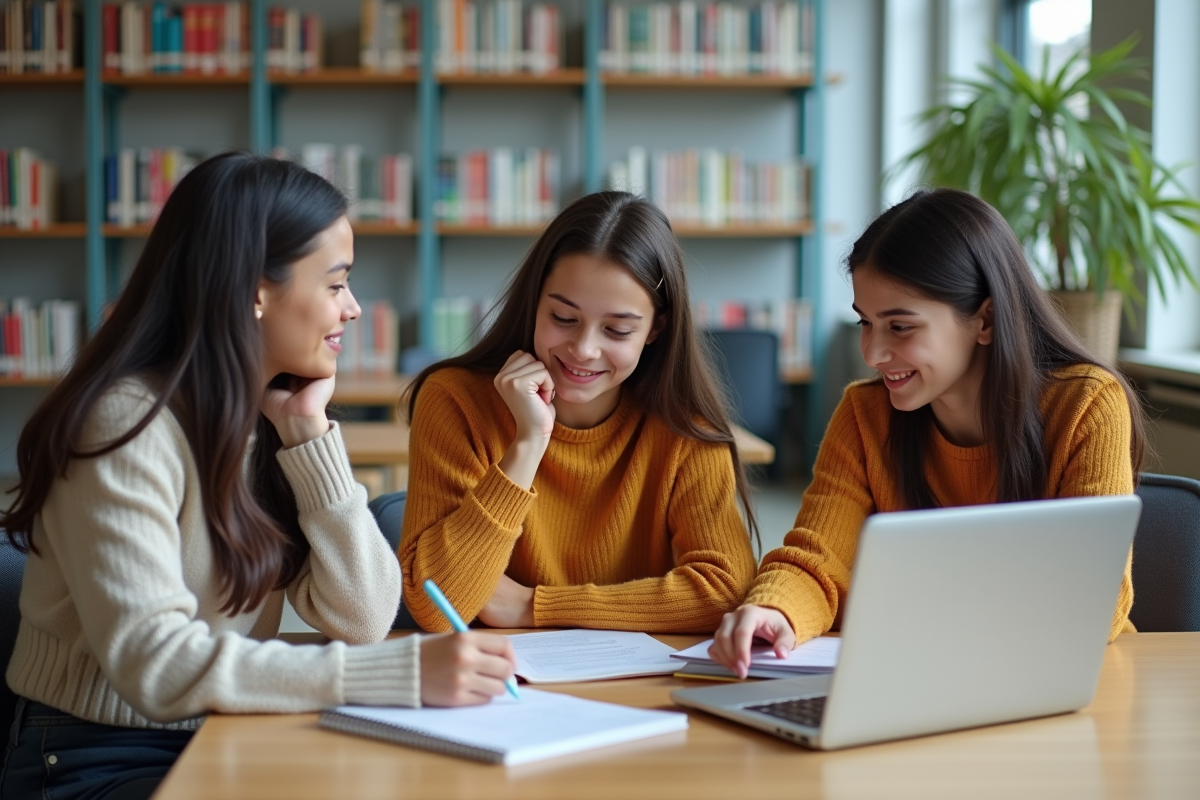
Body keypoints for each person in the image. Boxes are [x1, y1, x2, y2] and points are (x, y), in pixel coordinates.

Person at [0, 152, 515, 800]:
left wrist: (308, 434)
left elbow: (362, 618)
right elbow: (154, 665)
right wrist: (397, 674)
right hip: (94, 755)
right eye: (334, 284)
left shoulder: (268, 413)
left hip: (225, 730)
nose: (353, 309)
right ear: (254, 290)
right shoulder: (122, 427)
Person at [709, 188, 1145, 677]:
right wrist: (775, 611)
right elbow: (816, 560)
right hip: (914, 678)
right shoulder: (864, 414)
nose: (872, 353)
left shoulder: (1086, 405)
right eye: (866, 322)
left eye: (900, 326)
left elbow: (1093, 599)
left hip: (1060, 682)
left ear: (985, 318)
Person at [399, 191, 757, 634]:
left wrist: (533, 607)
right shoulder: (456, 401)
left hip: (638, 692)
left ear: (654, 330)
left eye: (617, 329)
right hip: (500, 688)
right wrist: (527, 444)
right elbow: (438, 608)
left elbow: (725, 592)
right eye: (563, 318)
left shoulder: (683, 428)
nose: (584, 349)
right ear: (534, 303)